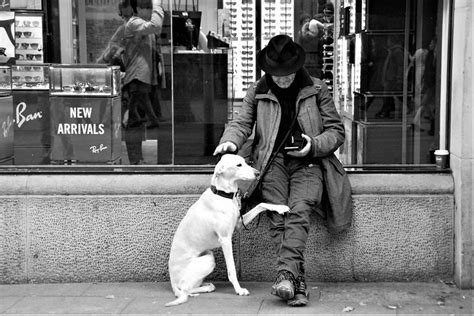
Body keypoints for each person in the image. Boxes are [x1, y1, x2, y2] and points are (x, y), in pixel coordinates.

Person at [213, 35, 352, 307]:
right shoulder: (258, 90)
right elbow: (241, 123)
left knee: (300, 208)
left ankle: (286, 276)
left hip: (310, 161)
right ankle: (295, 282)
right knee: (277, 212)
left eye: (288, 74)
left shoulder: (317, 89)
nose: (283, 79)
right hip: (271, 161)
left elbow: (336, 132)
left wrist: (312, 145)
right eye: (277, 75)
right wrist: (230, 141)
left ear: (297, 67)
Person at [121, 0, 164, 164]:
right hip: (137, 78)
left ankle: (137, 160)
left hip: (143, 79)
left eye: (150, 8)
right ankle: (135, 160)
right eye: (147, 8)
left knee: (137, 122)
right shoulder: (134, 23)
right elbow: (157, 26)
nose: (149, 11)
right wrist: (158, 5)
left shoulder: (141, 25)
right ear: (138, 9)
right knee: (133, 122)